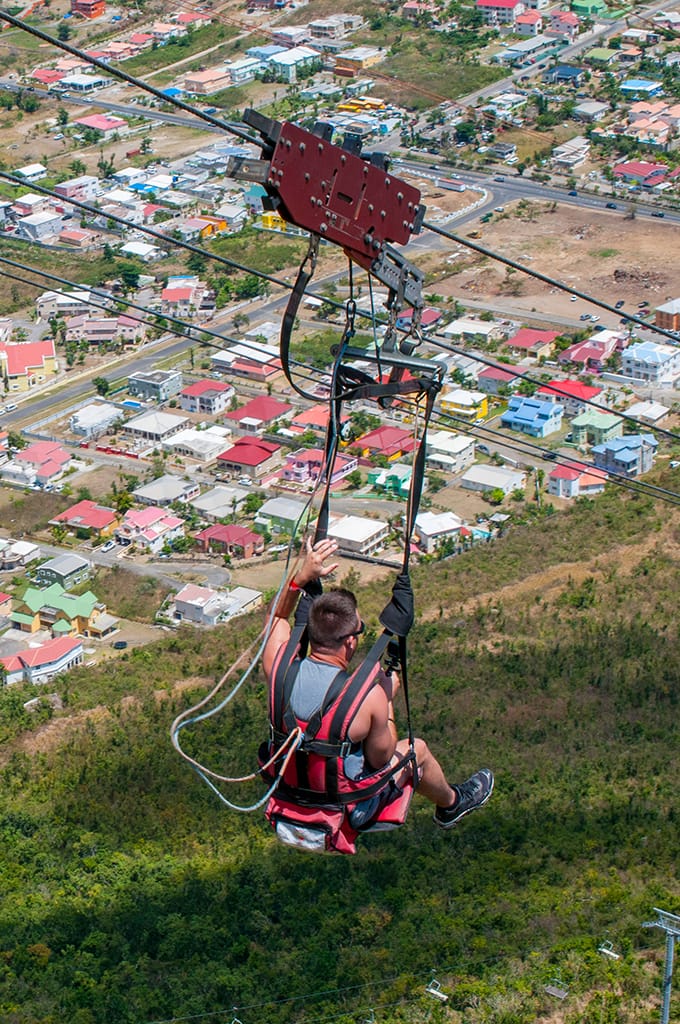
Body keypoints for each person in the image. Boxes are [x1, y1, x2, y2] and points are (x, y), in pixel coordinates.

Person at [262, 538, 494, 830]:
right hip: (345, 806)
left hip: (289, 791)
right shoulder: (366, 698)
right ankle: (452, 803)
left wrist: (301, 578)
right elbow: (381, 760)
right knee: (416, 749)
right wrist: (386, 701)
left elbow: (278, 616)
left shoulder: (278, 667)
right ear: (350, 641)